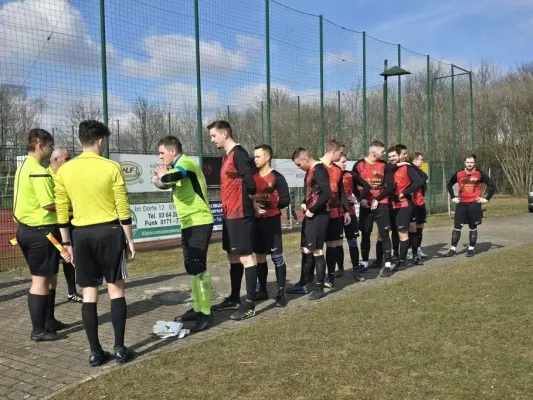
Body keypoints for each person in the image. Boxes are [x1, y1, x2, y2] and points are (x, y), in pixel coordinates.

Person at [55, 120, 135, 367]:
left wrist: (66, 243)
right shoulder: (111, 167)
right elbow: (122, 207)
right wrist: (130, 240)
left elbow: (61, 209)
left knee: (89, 294)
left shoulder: (64, 170)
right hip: (110, 233)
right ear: (101, 141)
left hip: (81, 235)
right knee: (116, 289)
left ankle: (95, 352)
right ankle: (120, 349)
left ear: (80, 141)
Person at [152, 136, 215, 332]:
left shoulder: (185, 163)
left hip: (200, 221)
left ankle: (205, 312)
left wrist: (163, 175)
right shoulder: (175, 166)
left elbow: (171, 178)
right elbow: (164, 184)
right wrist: (159, 178)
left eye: (162, 153)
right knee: (191, 267)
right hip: (187, 223)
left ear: (172, 151)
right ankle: (197, 307)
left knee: (198, 267)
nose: (160, 157)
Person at [13, 128, 70, 341]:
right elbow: (48, 204)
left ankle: (49, 320)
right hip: (40, 232)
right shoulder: (36, 169)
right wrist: (71, 206)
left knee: (50, 277)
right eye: (50, 145)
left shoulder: (23, 168)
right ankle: (38, 330)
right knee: (40, 280)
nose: (52, 148)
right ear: (39, 144)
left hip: (28, 230)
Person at [208, 121, 259, 321]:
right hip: (229, 214)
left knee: (246, 257)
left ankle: (250, 304)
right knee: (232, 255)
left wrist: (251, 200)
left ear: (225, 133)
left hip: (241, 214)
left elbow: (250, 182)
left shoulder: (239, 154)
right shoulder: (226, 158)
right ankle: (235, 298)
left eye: (214, 136)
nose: (212, 140)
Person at [252, 144, 290, 307]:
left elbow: (286, 199)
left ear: (267, 157)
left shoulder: (277, 177)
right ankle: (263, 289)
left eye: (258, 156)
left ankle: (281, 293)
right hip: (256, 222)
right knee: (260, 256)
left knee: (277, 257)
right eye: (254, 156)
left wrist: (269, 204)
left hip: (271, 222)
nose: (255, 159)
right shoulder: (252, 177)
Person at [291, 147, 331, 300]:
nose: (299, 168)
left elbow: (327, 193)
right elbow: (311, 192)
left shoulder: (319, 170)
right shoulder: (309, 172)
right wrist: (303, 202)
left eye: (299, 164)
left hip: (319, 216)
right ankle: (306, 282)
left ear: (306, 159)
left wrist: (313, 209)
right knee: (307, 248)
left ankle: (319, 288)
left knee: (317, 250)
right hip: (311, 215)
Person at [352, 140, 394, 271]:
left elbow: (390, 186)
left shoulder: (385, 165)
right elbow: (352, 184)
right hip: (366, 205)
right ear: (374, 152)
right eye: (382, 152)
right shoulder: (359, 165)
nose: (384, 154)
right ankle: (364, 263)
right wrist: (361, 199)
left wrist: (377, 198)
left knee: (384, 233)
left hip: (381, 203)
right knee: (365, 233)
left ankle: (386, 264)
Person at [47, 148, 82, 303]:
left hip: (69, 221)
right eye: (67, 159)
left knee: (70, 256)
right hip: (53, 224)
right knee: (53, 261)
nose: (70, 161)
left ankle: (72, 292)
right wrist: (72, 207)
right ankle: (48, 299)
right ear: (56, 160)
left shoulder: (69, 175)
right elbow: (48, 204)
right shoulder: (46, 176)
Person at [444, 154, 496, 257]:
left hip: (474, 204)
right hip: (461, 204)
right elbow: (449, 184)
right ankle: (453, 249)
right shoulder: (459, 174)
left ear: (475, 163)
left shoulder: (479, 174)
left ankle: (471, 249)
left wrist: (486, 199)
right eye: (468, 162)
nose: (469, 164)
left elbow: (492, 185)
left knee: (473, 227)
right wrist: (453, 197)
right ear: (464, 163)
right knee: (457, 227)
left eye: (472, 162)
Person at [384, 146, 424, 277]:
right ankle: (395, 255)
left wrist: (405, 192)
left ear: (399, 156)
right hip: (390, 206)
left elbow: (419, 181)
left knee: (403, 234)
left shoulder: (407, 168)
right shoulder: (388, 168)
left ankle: (402, 262)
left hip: (404, 205)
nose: (391, 159)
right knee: (392, 232)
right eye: (389, 157)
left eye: (393, 156)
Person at [320, 140, 351, 289]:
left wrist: (346, 211)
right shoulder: (317, 168)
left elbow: (342, 194)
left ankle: (330, 276)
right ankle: (307, 279)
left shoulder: (337, 170)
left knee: (332, 245)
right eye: (340, 153)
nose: (341, 157)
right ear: (333, 152)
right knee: (313, 248)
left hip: (336, 213)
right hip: (319, 214)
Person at [335, 154, 371, 279]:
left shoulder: (351, 175)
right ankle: (340, 269)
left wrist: (357, 198)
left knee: (352, 241)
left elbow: (367, 187)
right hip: (335, 214)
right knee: (337, 242)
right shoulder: (330, 175)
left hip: (350, 213)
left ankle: (356, 269)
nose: (344, 164)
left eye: (345, 161)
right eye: (342, 161)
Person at [408, 152, 428, 259]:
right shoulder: (410, 169)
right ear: (415, 161)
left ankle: (418, 248)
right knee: (412, 228)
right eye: (421, 159)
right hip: (412, 203)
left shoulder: (418, 172)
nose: (422, 161)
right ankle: (410, 250)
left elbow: (423, 178)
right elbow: (424, 177)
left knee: (420, 226)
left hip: (421, 203)